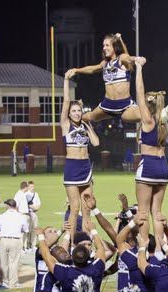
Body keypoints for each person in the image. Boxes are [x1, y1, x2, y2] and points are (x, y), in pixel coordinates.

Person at [134, 56, 168, 242]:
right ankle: (161, 249)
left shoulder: (149, 120)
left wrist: (138, 68)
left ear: (147, 105)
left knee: (143, 212)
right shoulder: (163, 124)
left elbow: (139, 91)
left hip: (149, 166)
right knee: (157, 212)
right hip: (163, 168)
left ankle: (144, 248)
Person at [61, 69, 99, 242]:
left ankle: (86, 242)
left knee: (87, 209)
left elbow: (96, 143)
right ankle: (70, 242)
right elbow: (67, 100)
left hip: (85, 167)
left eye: (79, 110)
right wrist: (67, 80)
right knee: (74, 208)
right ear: (69, 113)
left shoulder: (84, 126)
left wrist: (88, 124)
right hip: (72, 168)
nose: (77, 113)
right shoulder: (65, 124)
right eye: (74, 111)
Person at [0, 199, 28, 289]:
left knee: (3, 262)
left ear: (8, 206)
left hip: (4, 240)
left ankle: (4, 282)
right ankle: (13, 283)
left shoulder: (2, 216)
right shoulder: (20, 216)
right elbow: (25, 229)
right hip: (16, 240)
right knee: (14, 262)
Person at [14, 181, 30, 252]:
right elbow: (16, 206)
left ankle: (24, 247)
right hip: (21, 215)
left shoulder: (23, 194)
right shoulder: (18, 194)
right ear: (25, 187)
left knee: (25, 232)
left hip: (25, 215)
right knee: (21, 233)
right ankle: (20, 248)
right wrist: (18, 215)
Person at [26, 181, 41, 251]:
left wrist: (36, 208)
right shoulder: (26, 194)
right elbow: (28, 205)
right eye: (31, 186)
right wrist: (34, 207)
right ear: (28, 187)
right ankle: (27, 245)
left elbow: (39, 204)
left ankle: (33, 245)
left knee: (34, 229)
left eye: (33, 186)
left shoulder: (36, 194)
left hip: (34, 213)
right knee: (28, 230)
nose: (33, 188)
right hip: (28, 213)